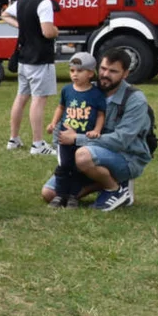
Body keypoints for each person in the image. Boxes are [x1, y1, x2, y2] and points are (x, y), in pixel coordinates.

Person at [40, 48, 152, 211]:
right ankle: (106, 181)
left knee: (83, 155)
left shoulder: (135, 100)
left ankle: (116, 189)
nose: (106, 74)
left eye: (113, 71)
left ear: (125, 74)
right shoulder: (86, 90)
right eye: (103, 68)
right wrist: (61, 143)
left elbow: (121, 141)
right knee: (50, 193)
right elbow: (65, 119)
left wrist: (77, 139)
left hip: (126, 157)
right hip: (84, 155)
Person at [3, 0, 60, 155]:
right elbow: (47, 32)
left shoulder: (22, 2)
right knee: (39, 100)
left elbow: (4, 15)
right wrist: (56, 30)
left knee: (21, 98)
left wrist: (22, 26)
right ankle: (38, 144)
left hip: (24, 59)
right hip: (40, 59)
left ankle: (14, 138)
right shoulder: (44, 3)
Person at [45, 52, 106, 208]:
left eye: (80, 71)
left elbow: (100, 114)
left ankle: (73, 196)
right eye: (72, 71)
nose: (75, 74)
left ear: (91, 73)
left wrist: (97, 130)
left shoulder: (96, 94)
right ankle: (60, 195)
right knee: (64, 166)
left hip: (83, 138)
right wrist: (53, 123)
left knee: (77, 168)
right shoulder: (67, 90)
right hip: (64, 137)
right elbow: (61, 107)